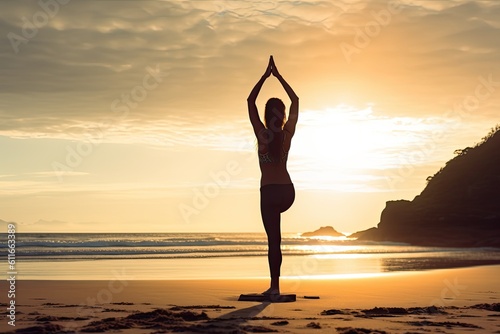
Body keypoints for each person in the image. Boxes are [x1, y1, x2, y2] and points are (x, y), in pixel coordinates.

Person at [247, 55, 299, 296]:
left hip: (269, 193)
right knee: (276, 236)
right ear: (284, 114)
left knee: (274, 241)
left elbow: (250, 101)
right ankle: (275, 287)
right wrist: (279, 77)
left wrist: (265, 77)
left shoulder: (262, 135)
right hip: (288, 193)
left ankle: (275, 288)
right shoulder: (288, 134)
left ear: (268, 115)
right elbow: (296, 99)